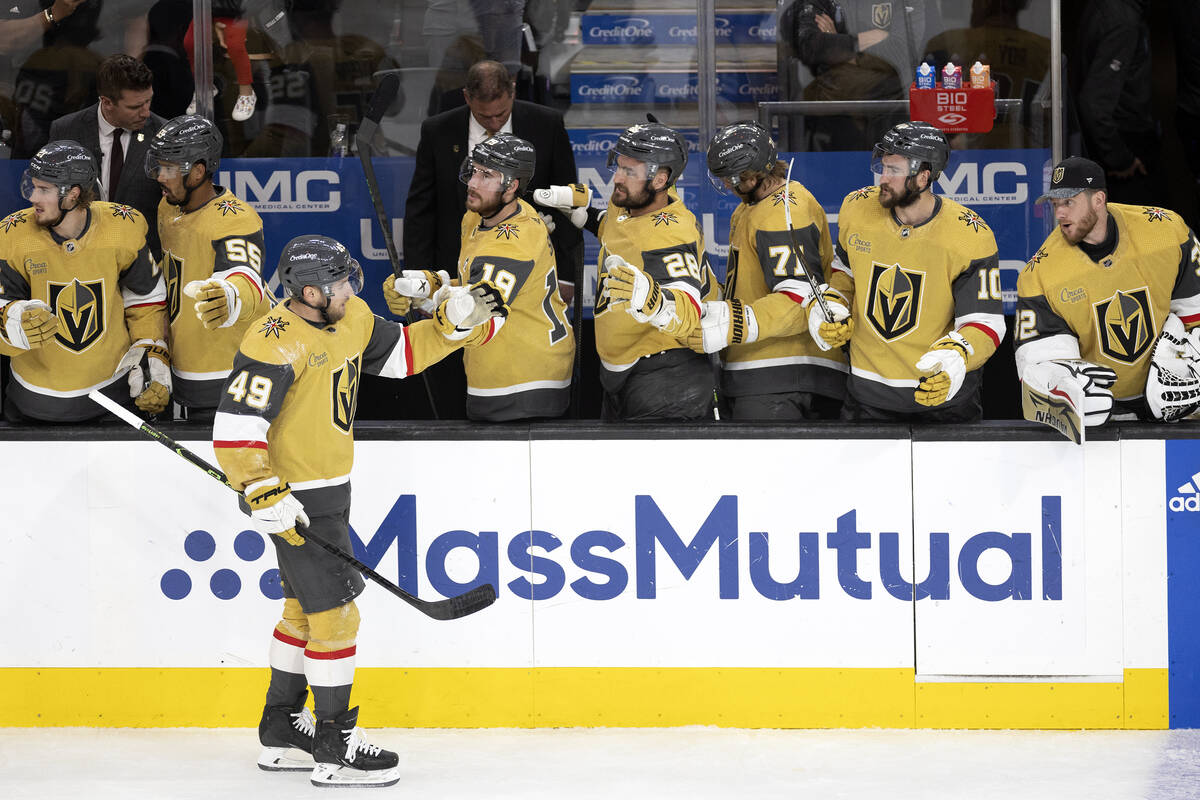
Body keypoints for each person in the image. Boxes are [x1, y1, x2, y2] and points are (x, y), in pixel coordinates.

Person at [212, 234, 504, 787]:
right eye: (342, 281)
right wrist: (261, 488)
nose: (353, 287)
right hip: (298, 498)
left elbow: (403, 357)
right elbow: (234, 431)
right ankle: (334, 748)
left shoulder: (352, 318)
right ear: (312, 291)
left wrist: (453, 327)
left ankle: (281, 731)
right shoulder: (272, 343)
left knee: (302, 613)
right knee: (337, 617)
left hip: (331, 491)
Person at [810, 121, 1005, 422]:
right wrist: (835, 304)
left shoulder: (970, 235)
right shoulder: (856, 209)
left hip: (942, 402)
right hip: (866, 398)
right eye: (883, 167)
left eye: (895, 170)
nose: (883, 179)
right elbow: (845, 274)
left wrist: (957, 357)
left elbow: (984, 322)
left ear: (923, 177)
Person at [537, 121, 719, 421]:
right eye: (618, 167)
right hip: (626, 372)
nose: (617, 179)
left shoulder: (671, 234)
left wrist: (653, 299)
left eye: (629, 172)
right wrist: (583, 217)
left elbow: (688, 310)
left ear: (660, 180)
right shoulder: (630, 203)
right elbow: (621, 231)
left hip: (667, 382)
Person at [384, 133, 573, 420]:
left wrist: (402, 348)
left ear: (512, 185)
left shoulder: (512, 241)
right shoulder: (479, 216)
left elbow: (479, 315)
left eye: (486, 175)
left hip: (523, 379)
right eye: (474, 170)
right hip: (504, 365)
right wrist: (430, 285)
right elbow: (478, 284)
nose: (472, 182)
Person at [1014, 156, 1200, 427]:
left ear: (1098, 200)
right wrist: (1070, 395)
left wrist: (1191, 369)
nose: (1060, 214)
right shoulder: (1040, 274)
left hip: (1180, 402)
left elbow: (1194, 311)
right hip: (1106, 416)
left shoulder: (1165, 231)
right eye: (1055, 205)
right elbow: (1044, 364)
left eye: (1068, 202)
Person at [0, 140, 169, 423]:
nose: (32, 198)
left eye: (44, 190)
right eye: (34, 186)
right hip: (33, 401)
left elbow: (145, 298)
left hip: (111, 398)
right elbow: (3, 304)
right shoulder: (12, 234)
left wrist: (150, 347)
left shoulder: (122, 227)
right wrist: (11, 322)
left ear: (72, 195)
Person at [690, 121, 845, 420]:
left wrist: (731, 324)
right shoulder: (753, 206)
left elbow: (800, 297)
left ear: (759, 172)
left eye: (734, 177)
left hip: (783, 375)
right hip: (764, 372)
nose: (726, 185)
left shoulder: (784, 211)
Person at [146, 114, 269, 420]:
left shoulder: (235, 218)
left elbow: (245, 274)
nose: (161, 176)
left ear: (198, 171)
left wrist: (230, 295)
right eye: (159, 166)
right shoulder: (167, 207)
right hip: (184, 365)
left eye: (170, 168)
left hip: (228, 372)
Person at [49, 54, 167, 259]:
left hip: (145, 263)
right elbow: (53, 198)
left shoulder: (164, 135)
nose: (146, 113)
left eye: (149, 101)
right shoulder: (66, 131)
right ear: (107, 102)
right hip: (79, 259)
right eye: (135, 107)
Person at [782, 0, 942, 151]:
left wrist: (838, 48)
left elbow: (899, 52)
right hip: (834, 119)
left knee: (888, 172)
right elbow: (811, 47)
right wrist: (859, 41)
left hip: (891, 114)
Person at [1071, 0, 1161, 206]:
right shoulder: (1122, 20)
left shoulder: (1108, 8)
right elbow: (1094, 104)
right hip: (1124, 148)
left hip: (1114, 143)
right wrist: (1121, 158)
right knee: (1145, 229)